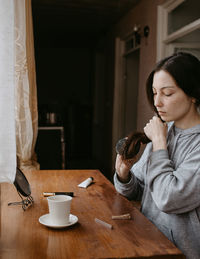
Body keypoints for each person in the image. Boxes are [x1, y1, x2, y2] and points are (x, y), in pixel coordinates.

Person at [114, 52, 200, 259]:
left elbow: (168, 198)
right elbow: (141, 189)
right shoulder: (165, 130)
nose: (157, 103)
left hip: (179, 253)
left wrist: (160, 145)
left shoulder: (171, 138)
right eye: (154, 93)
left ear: (193, 94)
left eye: (167, 93)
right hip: (148, 243)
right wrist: (124, 175)